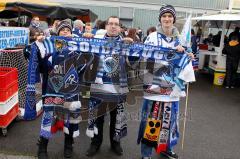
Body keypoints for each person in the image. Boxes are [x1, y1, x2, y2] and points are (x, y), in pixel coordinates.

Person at [137, 5, 195, 159]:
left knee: (170, 121)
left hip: (173, 90)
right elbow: (145, 59)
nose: (167, 19)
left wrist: (188, 57)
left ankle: (166, 148)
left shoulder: (181, 39)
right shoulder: (153, 37)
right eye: (164, 16)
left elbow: (188, 59)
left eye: (170, 16)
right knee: (152, 121)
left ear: (174, 19)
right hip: (154, 88)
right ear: (160, 19)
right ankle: (146, 153)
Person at [85, 16, 130, 157]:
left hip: (117, 87)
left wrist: (132, 46)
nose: (113, 26)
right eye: (110, 23)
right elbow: (82, 53)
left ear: (120, 28)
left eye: (116, 24)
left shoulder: (125, 43)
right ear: (106, 26)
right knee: (98, 116)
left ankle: (115, 143)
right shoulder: (95, 42)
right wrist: (83, 37)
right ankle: (95, 143)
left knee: (116, 117)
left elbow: (134, 61)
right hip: (99, 86)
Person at [37, 20, 82, 159]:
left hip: (70, 90)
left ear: (71, 32)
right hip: (53, 90)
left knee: (71, 118)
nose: (65, 32)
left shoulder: (77, 47)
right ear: (58, 32)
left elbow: (84, 66)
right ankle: (42, 146)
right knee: (48, 118)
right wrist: (39, 44)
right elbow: (43, 66)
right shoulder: (51, 47)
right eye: (62, 30)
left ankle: (69, 145)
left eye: (67, 30)